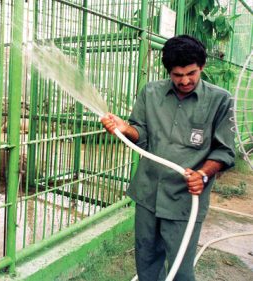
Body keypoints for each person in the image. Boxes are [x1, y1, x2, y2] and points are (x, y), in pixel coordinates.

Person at [101, 35, 235, 281]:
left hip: (184, 198)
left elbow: (224, 151)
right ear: (168, 72)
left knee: (181, 269)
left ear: (202, 66)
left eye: (191, 73)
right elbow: (139, 135)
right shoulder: (151, 93)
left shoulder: (220, 100)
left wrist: (203, 174)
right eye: (177, 75)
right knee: (147, 260)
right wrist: (124, 128)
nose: (185, 81)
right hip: (148, 193)